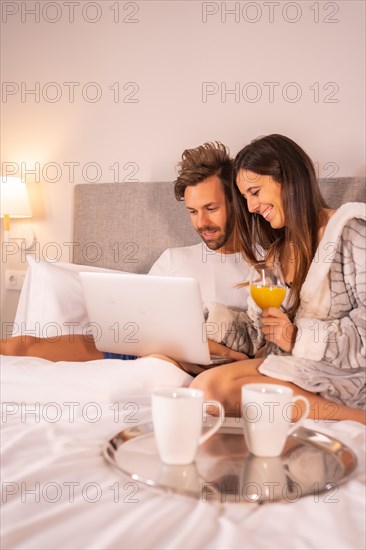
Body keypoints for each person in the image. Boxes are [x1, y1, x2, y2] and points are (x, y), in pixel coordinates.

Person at [1, 142, 251, 364]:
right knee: (22, 346)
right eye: (193, 212)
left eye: (211, 208)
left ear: (236, 202)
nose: (202, 223)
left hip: (188, 365)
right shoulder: (174, 259)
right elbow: (141, 322)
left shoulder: (266, 266)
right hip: (137, 352)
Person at [189, 134, 365, 424]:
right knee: (205, 387)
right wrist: (204, 320)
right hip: (294, 370)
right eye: (245, 197)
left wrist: (297, 337)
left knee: (209, 390)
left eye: (255, 192)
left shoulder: (351, 231)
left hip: (344, 376)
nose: (251, 207)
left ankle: (358, 418)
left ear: (288, 178)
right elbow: (259, 333)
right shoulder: (276, 254)